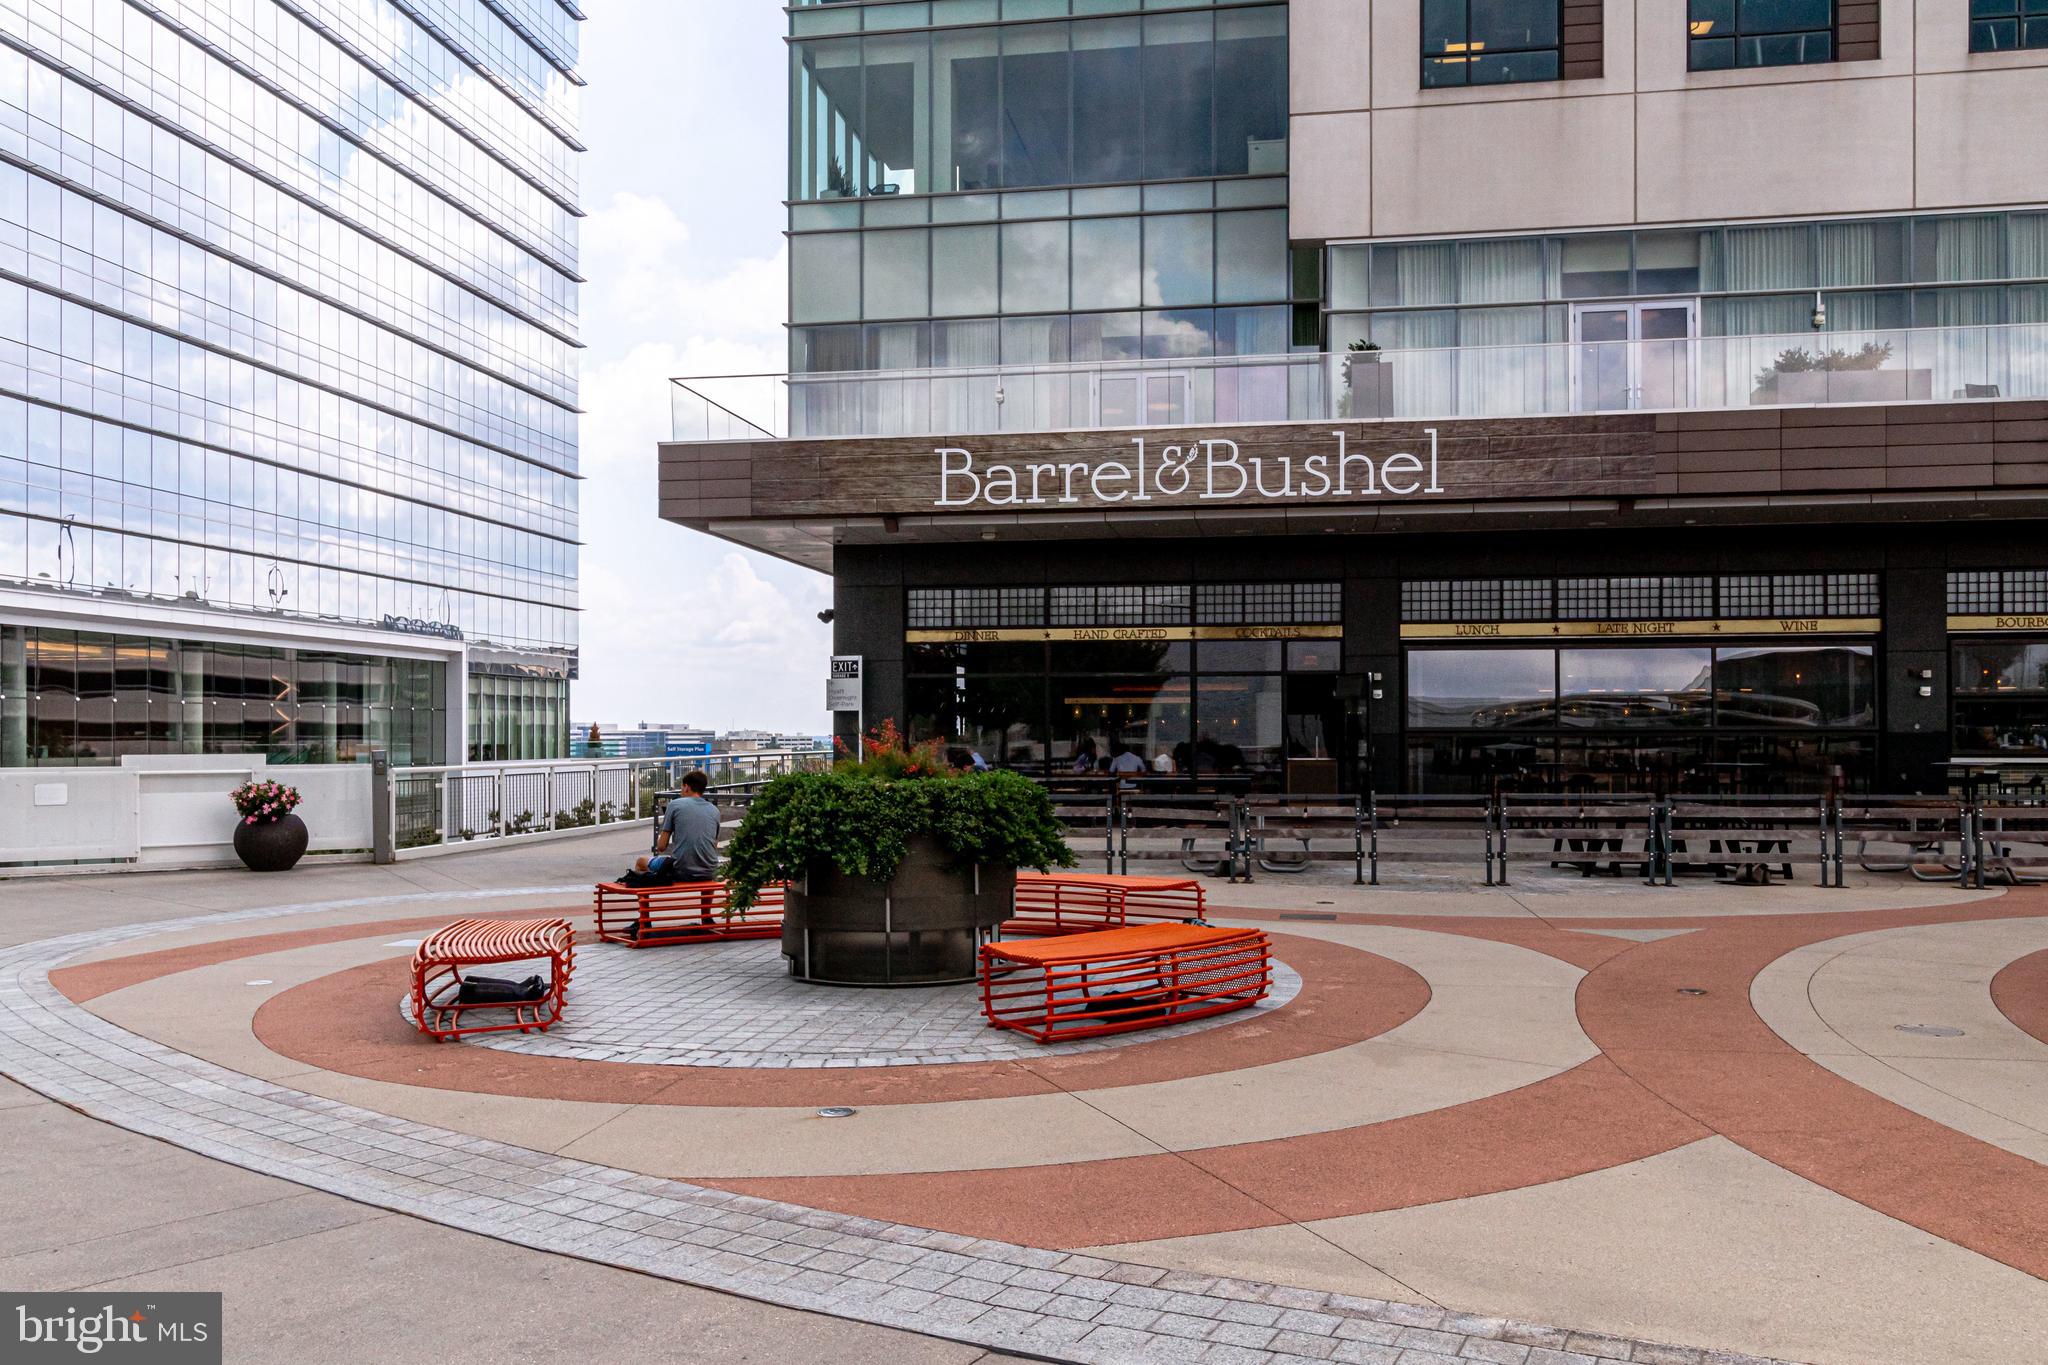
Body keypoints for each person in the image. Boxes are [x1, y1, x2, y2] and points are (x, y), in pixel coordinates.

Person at [631, 770, 720, 884]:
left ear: (686, 787)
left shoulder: (675, 805)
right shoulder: (714, 810)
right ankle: (707, 902)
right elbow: (714, 845)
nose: (681, 791)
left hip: (680, 870)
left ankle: (645, 900)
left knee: (641, 861)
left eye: (682, 787)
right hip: (710, 872)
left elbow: (661, 846)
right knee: (707, 869)